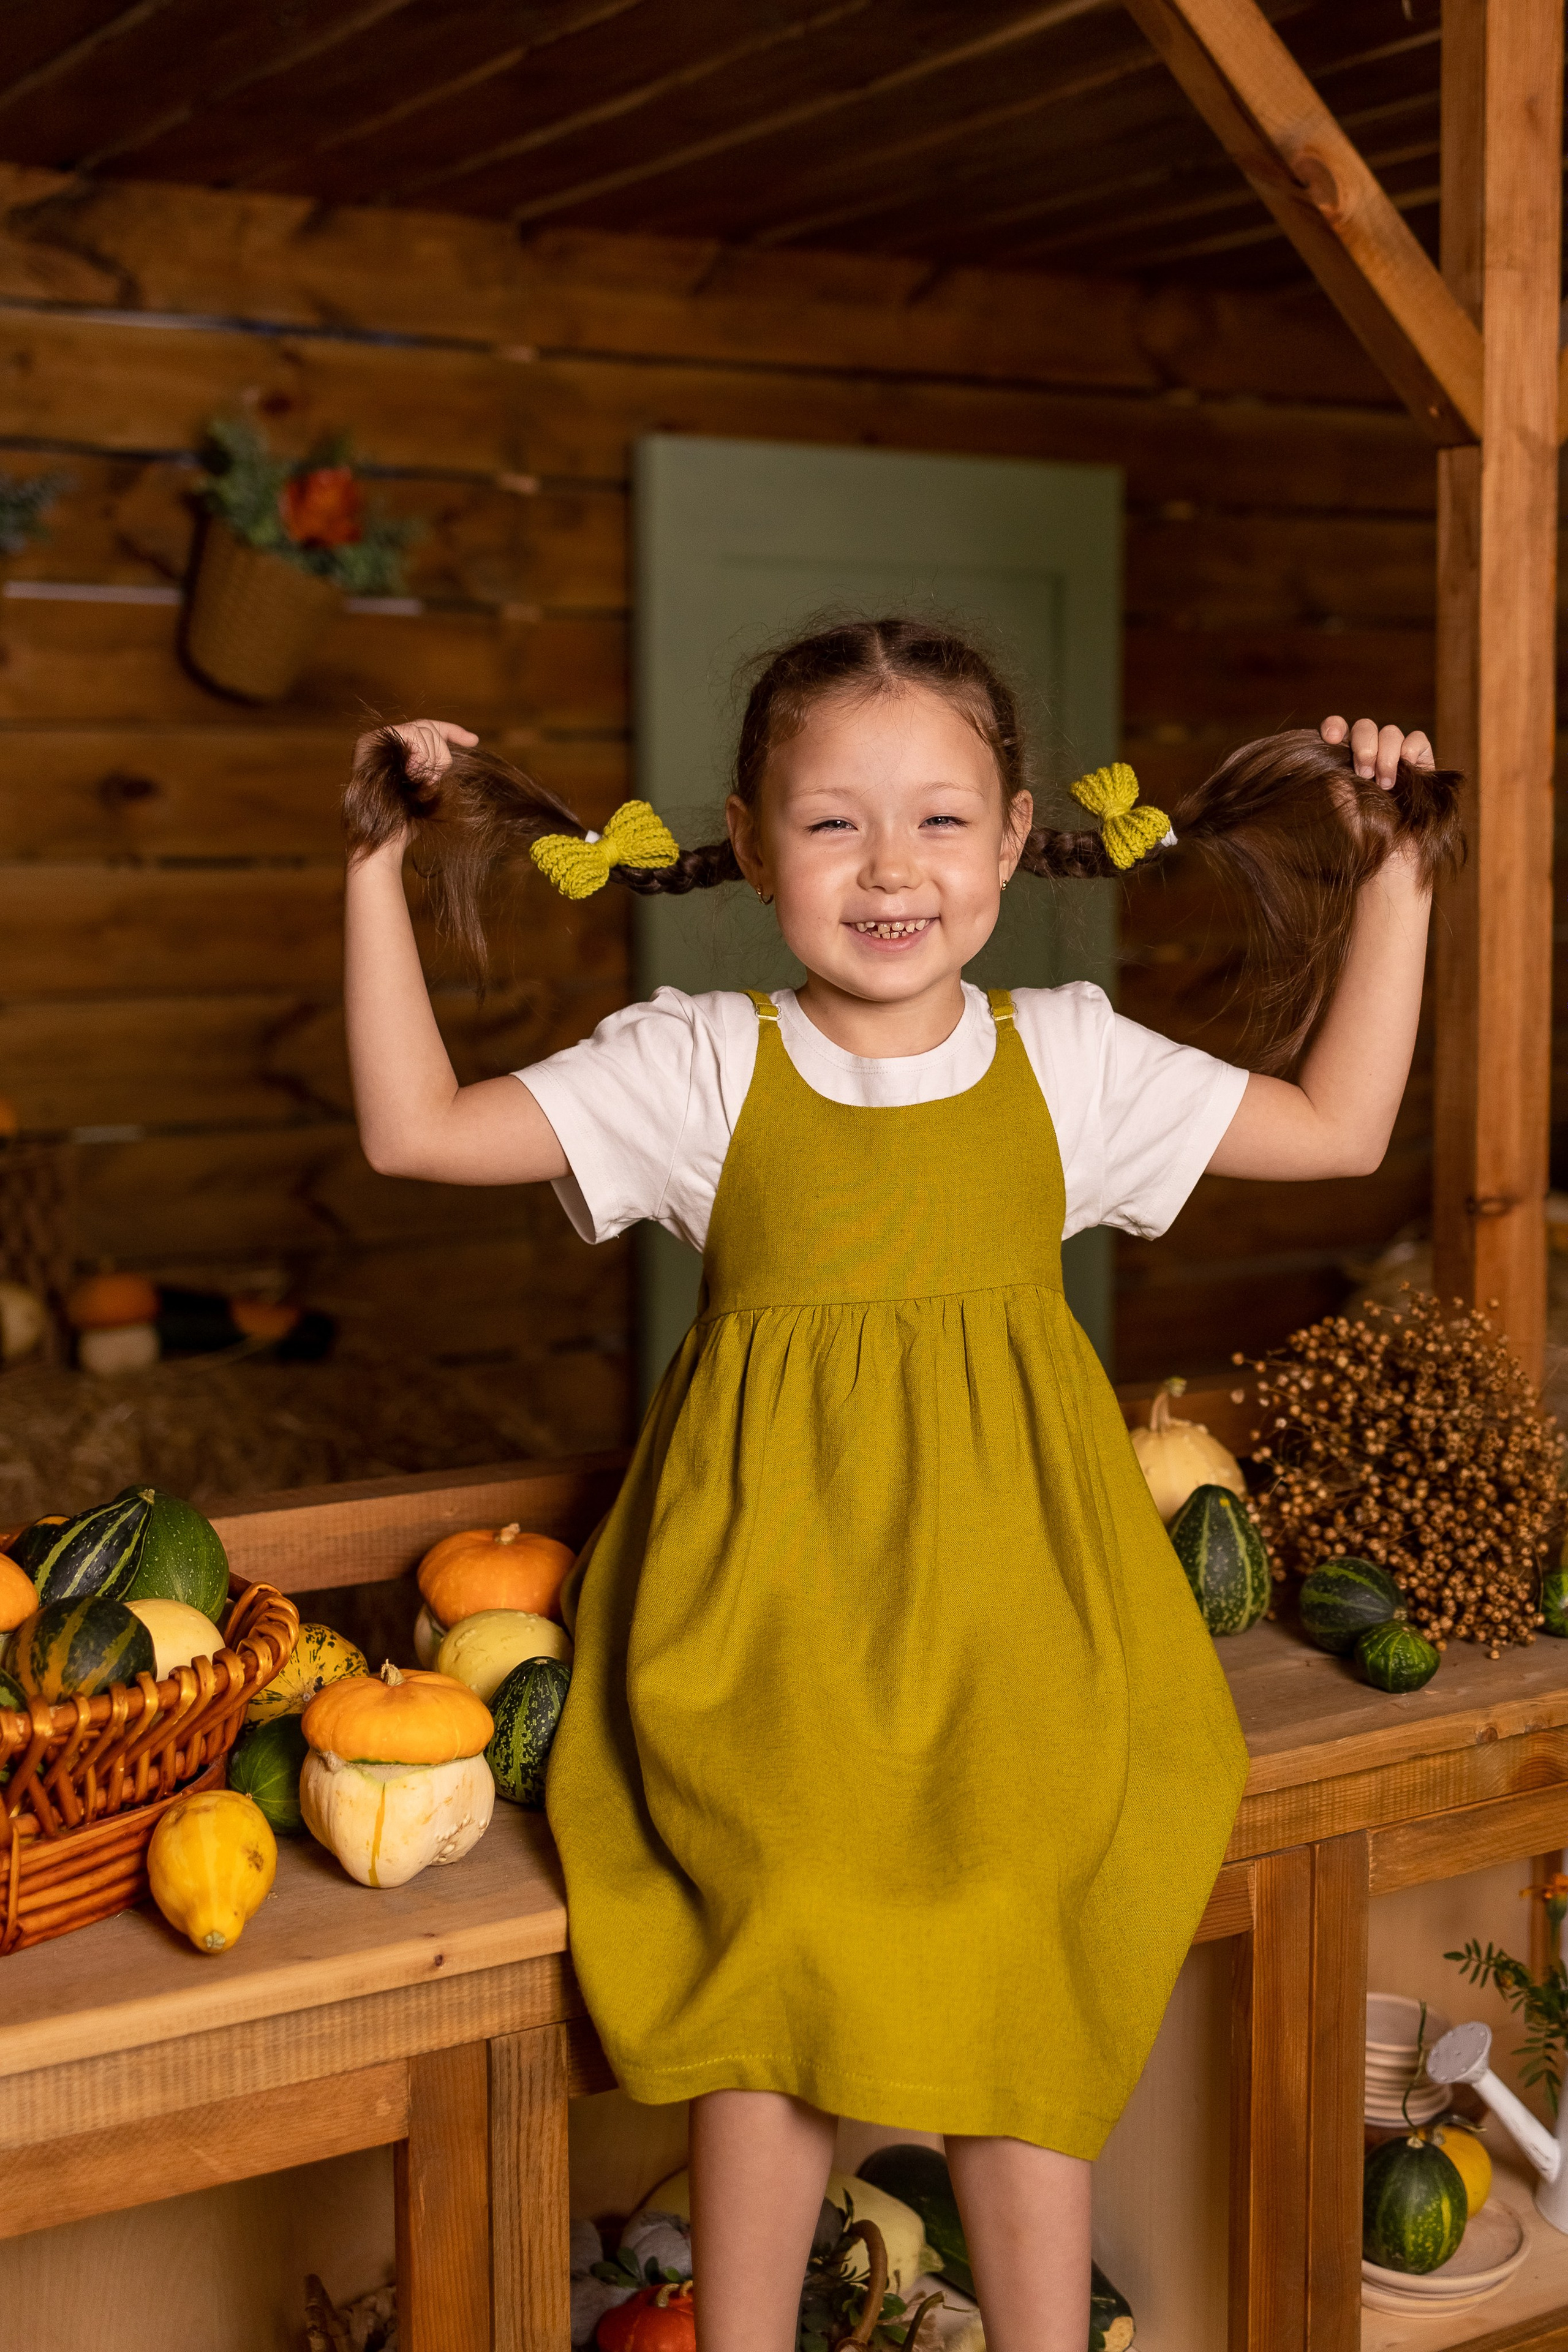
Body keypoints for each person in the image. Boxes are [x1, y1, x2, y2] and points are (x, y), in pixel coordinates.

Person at [342, 619, 1458, 2352]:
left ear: (1018, 837)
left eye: (941, 821)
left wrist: (1401, 878)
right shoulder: (698, 1062)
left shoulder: (1069, 1059)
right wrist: (372, 867)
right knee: (772, 1959)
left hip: (1019, 1629)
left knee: (1016, 1949)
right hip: (769, 1637)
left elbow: (1339, 1128)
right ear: (750, 834)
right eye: (833, 823)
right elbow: (415, 1127)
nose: (890, 869)